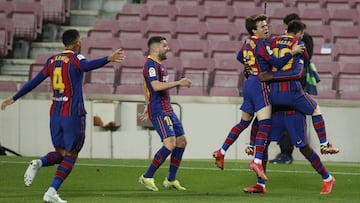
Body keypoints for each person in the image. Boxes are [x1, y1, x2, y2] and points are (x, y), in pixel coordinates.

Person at [0, 29, 125, 203]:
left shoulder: (51, 61)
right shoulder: (76, 58)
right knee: (72, 154)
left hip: (55, 114)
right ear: (77, 43)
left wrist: (13, 98)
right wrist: (108, 59)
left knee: (61, 153)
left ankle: (39, 162)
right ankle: (52, 191)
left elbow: (34, 81)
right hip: (73, 114)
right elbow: (87, 66)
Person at [212, 14, 304, 181]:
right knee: (265, 124)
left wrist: (249, 66)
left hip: (248, 84)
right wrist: (292, 52)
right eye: (262, 26)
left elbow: (240, 57)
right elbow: (277, 63)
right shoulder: (262, 43)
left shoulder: (248, 42)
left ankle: (221, 151)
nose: (266, 28)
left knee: (244, 122)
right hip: (259, 84)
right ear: (254, 30)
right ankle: (256, 161)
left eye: (266, 25)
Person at [259, 20, 338, 163]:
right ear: (297, 33)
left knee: (262, 122)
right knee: (315, 109)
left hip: (272, 92)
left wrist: (268, 76)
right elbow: (298, 72)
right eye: (301, 34)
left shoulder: (272, 41)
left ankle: (254, 151)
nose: (302, 37)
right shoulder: (298, 45)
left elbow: (262, 58)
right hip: (291, 91)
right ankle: (324, 144)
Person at [138, 36, 192, 191]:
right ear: (155, 48)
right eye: (165, 46)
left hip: (167, 108)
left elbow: (145, 86)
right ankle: (147, 176)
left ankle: (170, 180)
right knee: (169, 143)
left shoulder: (160, 65)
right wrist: (179, 83)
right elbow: (154, 86)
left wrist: (146, 105)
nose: (168, 48)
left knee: (181, 142)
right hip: (159, 110)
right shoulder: (151, 65)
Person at [243, 106, 336, 195]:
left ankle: (327, 178)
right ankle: (260, 184)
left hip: (294, 114)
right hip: (275, 112)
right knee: (263, 143)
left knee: (304, 148)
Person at [270, 13, 314, 164]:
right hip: (288, 83)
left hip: (293, 83)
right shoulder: (293, 40)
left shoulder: (301, 40)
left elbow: (303, 60)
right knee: (282, 116)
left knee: (290, 116)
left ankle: (287, 152)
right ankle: (284, 152)